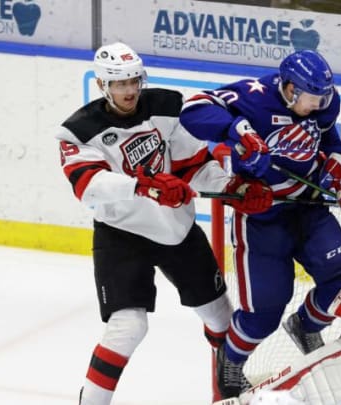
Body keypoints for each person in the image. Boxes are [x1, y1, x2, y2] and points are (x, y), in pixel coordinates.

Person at [56, 42, 273, 405]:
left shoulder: (165, 106)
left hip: (177, 229)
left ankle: (228, 392)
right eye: (120, 84)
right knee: (127, 328)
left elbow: (194, 166)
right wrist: (143, 186)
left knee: (222, 319)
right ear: (102, 86)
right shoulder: (78, 131)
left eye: (133, 81)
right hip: (121, 236)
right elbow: (88, 186)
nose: (129, 91)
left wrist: (233, 188)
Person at [179, 49, 341, 398]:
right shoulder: (253, 97)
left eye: (324, 97)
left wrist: (338, 159)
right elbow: (192, 110)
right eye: (311, 97)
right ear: (290, 88)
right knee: (264, 313)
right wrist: (236, 129)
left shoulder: (323, 103)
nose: (319, 104)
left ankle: (306, 326)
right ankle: (229, 362)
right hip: (262, 218)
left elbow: (330, 139)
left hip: (309, 208)